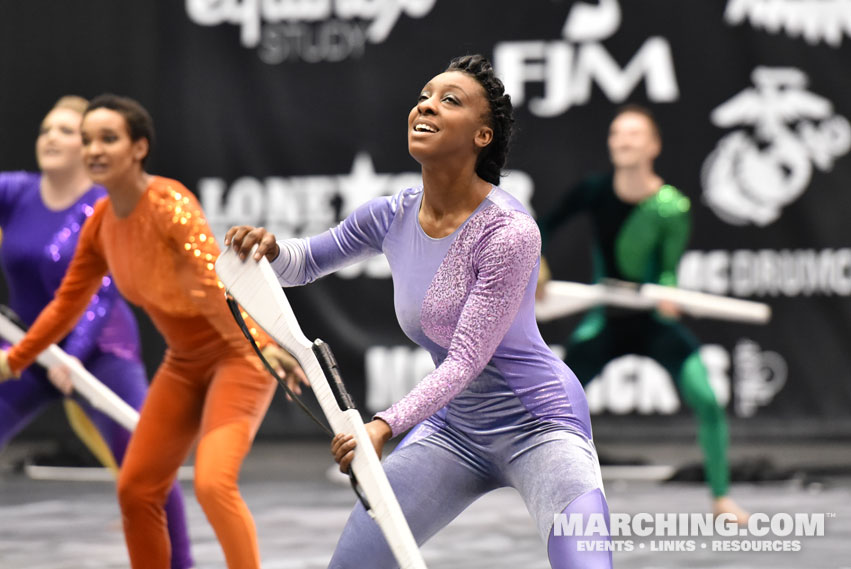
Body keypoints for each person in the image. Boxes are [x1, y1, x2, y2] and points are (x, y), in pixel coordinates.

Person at [226, 54, 613, 569]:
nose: (426, 105)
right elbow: (304, 264)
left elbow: (466, 360)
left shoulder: (509, 232)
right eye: (424, 96)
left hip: (541, 425)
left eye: (449, 100)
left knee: (586, 565)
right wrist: (271, 252)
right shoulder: (392, 215)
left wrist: (383, 426)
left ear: (482, 135)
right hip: (455, 430)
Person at [0, 94, 307, 569]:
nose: (94, 150)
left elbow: (214, 285)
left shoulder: (168, 203)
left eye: (108, 139)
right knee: (137, 488)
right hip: (183, 363)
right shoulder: (100, 225)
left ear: (138, 147)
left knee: (211, 483)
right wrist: (16, 359)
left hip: (238, 355)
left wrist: (264, 345)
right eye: (88, 141)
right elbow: (65, 306)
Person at [0, 96, 193, 568]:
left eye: (66, 130)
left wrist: (76, 353)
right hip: (31, 346)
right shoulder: (16, 192)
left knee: (148, 465)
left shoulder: (105, 206)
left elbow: (101, 291)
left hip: (101, 350)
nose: (51, 136)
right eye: (47, 128)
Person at [536, 104, 749, 522]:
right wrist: (536, 261)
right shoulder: (593, 192)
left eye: (633, 134)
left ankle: (721, 498)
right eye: (616, 133)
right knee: (553, 402)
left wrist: (667, 293)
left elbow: (668, 267)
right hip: (606, 320)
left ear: (653, 145)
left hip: (652, 322)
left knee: (706, 398)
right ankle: (548, 496)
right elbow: (534, 230)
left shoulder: (670, 207)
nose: (623, 141)